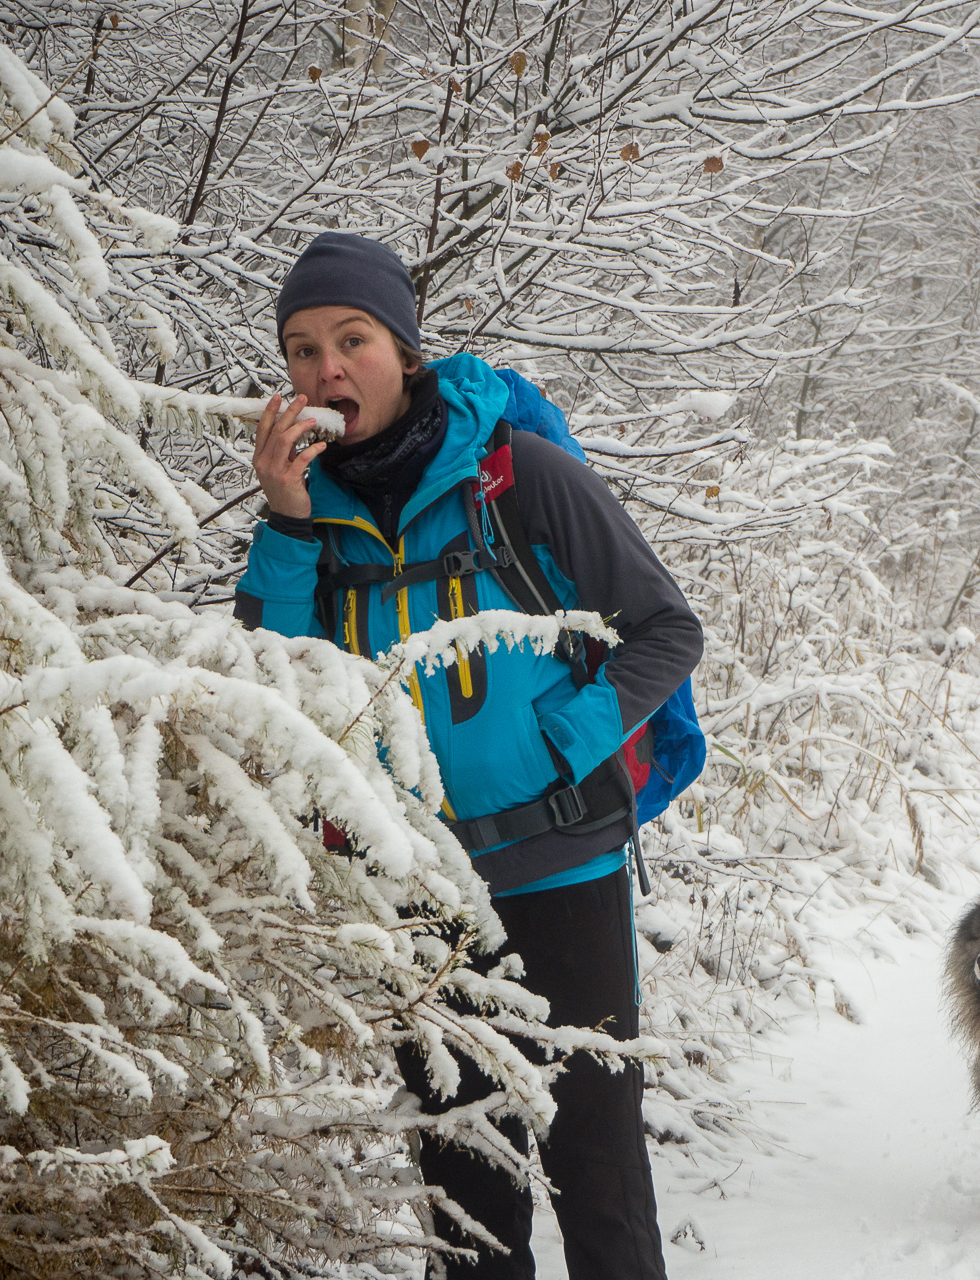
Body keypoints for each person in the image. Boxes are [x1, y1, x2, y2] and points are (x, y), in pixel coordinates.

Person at [234, 231, 699, 1277]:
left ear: (405, 349)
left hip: (565, 865)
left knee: (598, 1170)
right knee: (466, 1192)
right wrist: (286, 523)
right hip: (423, 897)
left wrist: (560, 741)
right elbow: (276, 691)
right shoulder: (310, 512)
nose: (327, 369)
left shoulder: (517, 475)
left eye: (352, 338)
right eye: (302, 350)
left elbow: (668, 628)